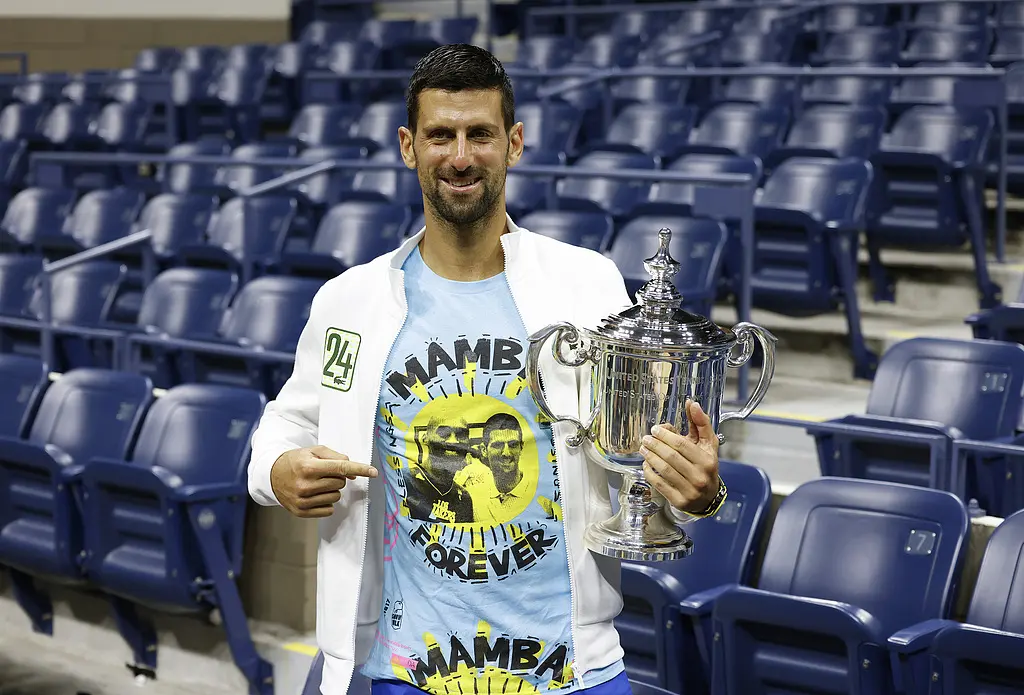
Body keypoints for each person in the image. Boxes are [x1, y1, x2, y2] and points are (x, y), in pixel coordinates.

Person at [246, 43, 727, 695]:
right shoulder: (351, 301)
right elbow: (286, 422)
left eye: (480, 134)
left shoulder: (587, 284)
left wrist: (698, 492)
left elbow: (643, 450)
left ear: (514, 143)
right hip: (403, 669)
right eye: (440, 135)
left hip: (570, 669)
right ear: (408, 146)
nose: (461, 156)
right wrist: (278, 471)